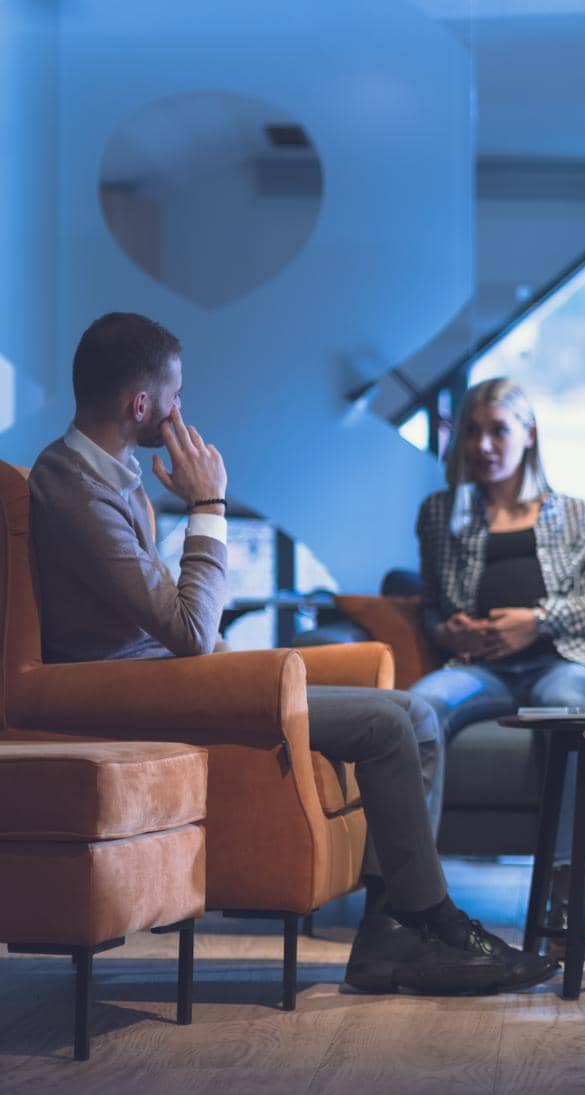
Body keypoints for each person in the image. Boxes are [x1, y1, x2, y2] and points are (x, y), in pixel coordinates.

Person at [29, 313, 554, 995]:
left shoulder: (115, 474)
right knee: (393, 724)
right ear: (141, 405)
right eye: (175, 395)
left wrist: (232, 669)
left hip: (171, 676)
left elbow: (174, 620)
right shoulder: (70, 483)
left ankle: (390, 934)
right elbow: (187, 626)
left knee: (414, 716)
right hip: (133, 691)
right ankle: (434, 922)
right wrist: (210, 503)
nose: (179, 410)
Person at [410, 377, 585, 741]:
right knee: (419, 707)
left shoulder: (579, 514)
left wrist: (538, 621)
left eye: (498, 431)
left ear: (529, 435)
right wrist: (444, 632)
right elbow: (431, 603)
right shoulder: (438, 513)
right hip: (479, 668)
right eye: (472, 432)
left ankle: (564, 802)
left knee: (564, 700)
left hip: (565, 663)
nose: (483, 446)